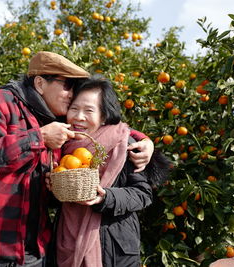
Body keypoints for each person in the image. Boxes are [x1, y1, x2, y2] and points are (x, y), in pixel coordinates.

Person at [0, 51, 154, 266]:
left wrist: (144, 140)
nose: (71, 95)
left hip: (34, 247)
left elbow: (108, 130)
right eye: (67, 85)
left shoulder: (56, 118)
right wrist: (38, 137)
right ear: (40, 83)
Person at [53, 76, 168, 267]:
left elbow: (143, 194)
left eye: (89, 110)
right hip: (66, 240)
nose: (79, 117)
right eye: (74, 108)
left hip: (113, 249)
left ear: (104, 115)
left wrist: (106, 198)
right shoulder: (63, 144)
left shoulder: (123, 145)